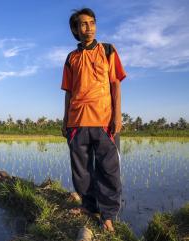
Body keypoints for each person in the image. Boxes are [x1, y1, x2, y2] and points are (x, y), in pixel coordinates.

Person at [61, 8, 126, 232]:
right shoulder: (71, 58)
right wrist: (64, 121)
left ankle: (107, 215)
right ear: (75, 30)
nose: (88, 28)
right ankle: (89, 207)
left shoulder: (107, 50)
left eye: (91, 23)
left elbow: (115, 85)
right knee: (81, 171)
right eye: (83, 24)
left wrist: (117, 116)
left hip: (104, 121)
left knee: (109, 170)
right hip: (77, 122)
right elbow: (68, 92)